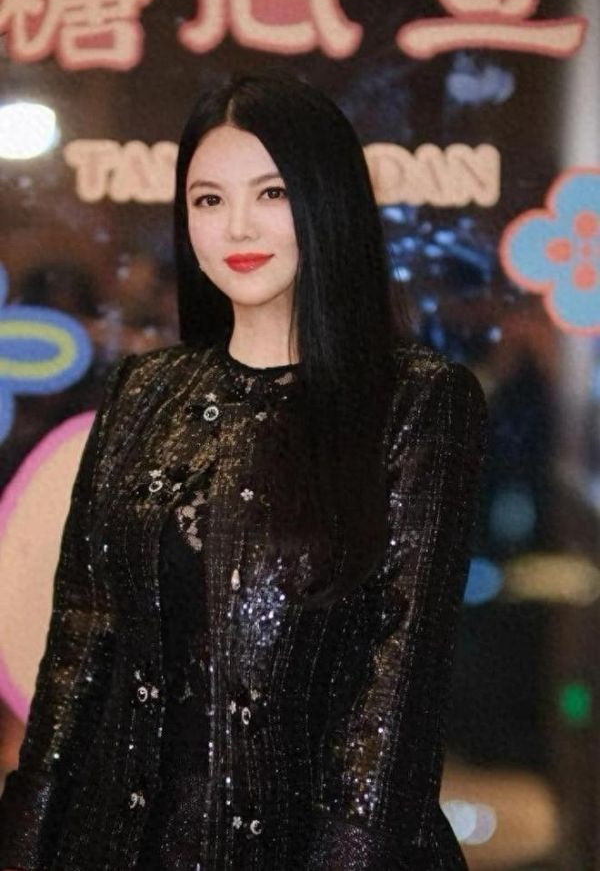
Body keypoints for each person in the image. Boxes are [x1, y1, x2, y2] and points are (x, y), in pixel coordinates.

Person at [0, 69, 488, 870]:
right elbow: (82, 641)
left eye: (271, 192)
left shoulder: (417, 402)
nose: (237, 226)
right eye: (208, 199)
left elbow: (394, 698)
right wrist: (24, 842)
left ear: (325, 202)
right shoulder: (144, 390)